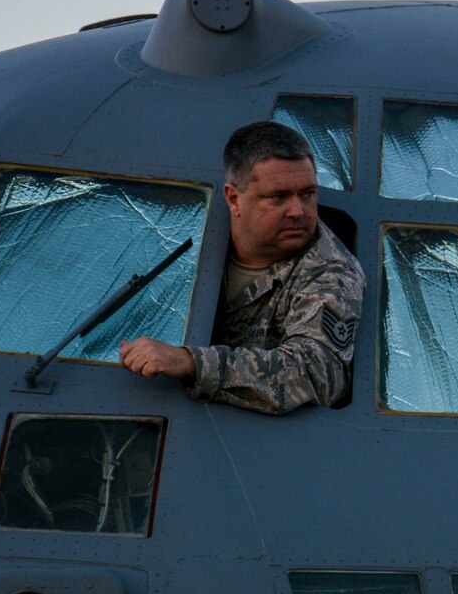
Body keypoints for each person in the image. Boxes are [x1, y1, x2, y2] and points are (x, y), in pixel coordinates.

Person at [119, 121, 363, 414]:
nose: (299, 211)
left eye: (308, 194)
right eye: (279, 197)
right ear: (234, 199)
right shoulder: (182, 231)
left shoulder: (331, 271)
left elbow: (317, 375)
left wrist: (191, 363)